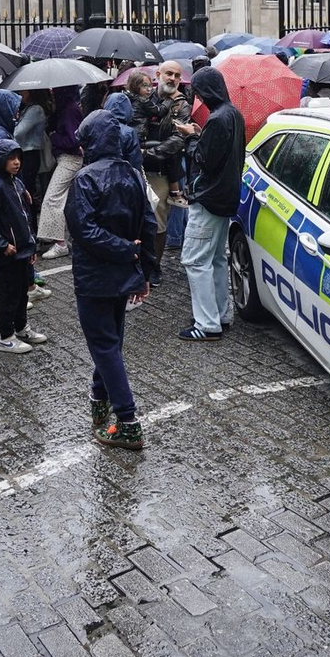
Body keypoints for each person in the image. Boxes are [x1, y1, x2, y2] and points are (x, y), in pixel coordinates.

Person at [64, 110, 156, 449]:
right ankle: (99, 399)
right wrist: (143, 269)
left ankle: (128, 419)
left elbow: (83, 230)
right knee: (110, 342)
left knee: (104, 345)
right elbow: (148, 224)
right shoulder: (132, 174)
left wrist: (128, 254)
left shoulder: (85, 179)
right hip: (120, 274)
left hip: (95, 277)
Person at [174, 66, 244, 342]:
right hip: (225, 197)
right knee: (215, 258)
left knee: (194, 259)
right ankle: (220, 314)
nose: (197, 96)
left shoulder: (217, 119)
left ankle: (206, 323)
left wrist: (191, 137)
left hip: (208, 198)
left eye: (199, 91)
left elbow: (203, 160)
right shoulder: (234, 114)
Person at [0, 139, 48, 353]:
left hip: (21, 252)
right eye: (11, 158)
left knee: (21, 293)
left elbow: (25, 219)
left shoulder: (15, 183)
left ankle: (21, 327)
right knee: (8, 295)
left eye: (18, 158)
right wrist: (2, 244)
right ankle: (5, 336)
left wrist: (31, 246)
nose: (16, 163)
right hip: (7, 254)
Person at [135, 61, 194, 284]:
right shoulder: (143, 96)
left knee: (158, 220)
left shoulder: (181, 104)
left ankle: (153, 266)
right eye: (168, 73)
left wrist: (150, 153)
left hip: (160, 170)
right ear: (158, 74)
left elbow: (179, 138)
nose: (172, 78)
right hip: (136, 167)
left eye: (177, 75)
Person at [38, 85, 83, 260]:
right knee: (63, 199)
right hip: (68, 158)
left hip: (70, 159)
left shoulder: (69, 110)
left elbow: (73, 140)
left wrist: (54, 135)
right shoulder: (69, 107)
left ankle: (60, 243)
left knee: (53, 198)